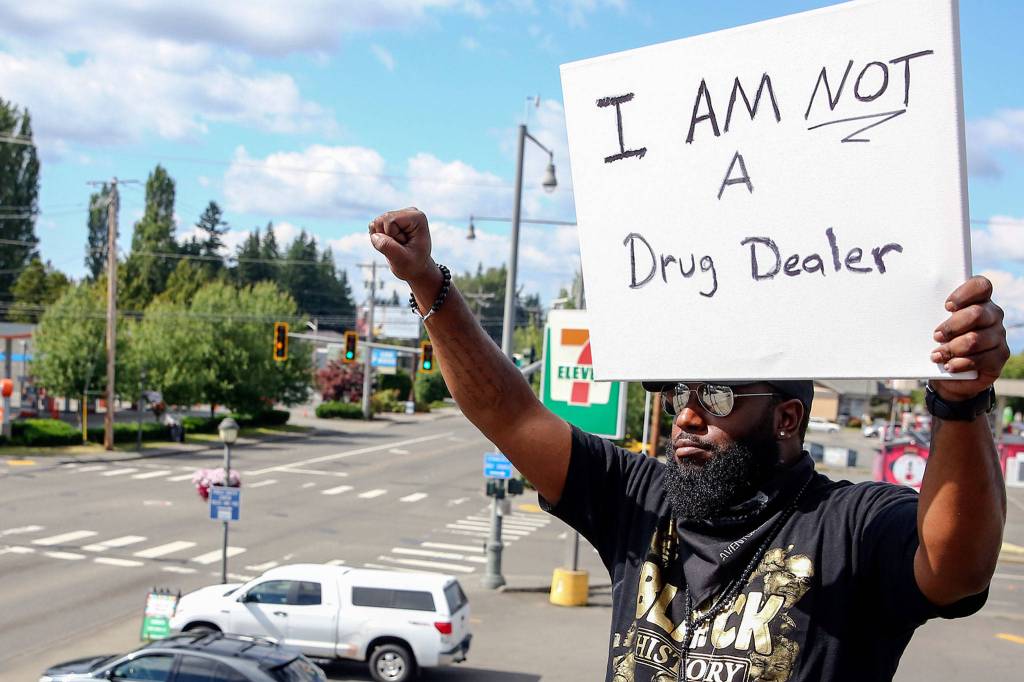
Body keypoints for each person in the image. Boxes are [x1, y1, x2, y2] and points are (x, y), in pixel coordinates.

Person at [368, 208, 1009, 682]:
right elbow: (508, 413)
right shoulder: (640, 500)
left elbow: (956, 568)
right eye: (678, 396)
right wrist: (428, 284)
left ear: (787, 418)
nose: (687, 417)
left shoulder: (848, 524)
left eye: (718, 398)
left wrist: (960, 401)